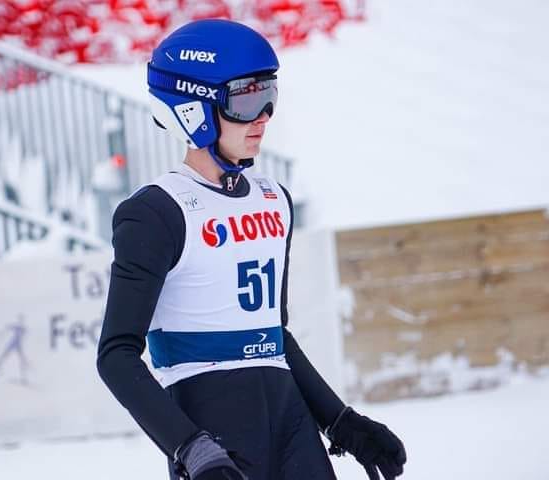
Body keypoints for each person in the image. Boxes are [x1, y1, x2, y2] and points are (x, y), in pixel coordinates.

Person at [97, 19, 406, 480]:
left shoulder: (273, 200)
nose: (262, 116)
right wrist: (191, 448)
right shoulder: (158, 212)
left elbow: (272, 338)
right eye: (245, 101)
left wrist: (340, 421)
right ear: (193, 109)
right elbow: (116, 356)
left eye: (269, 98)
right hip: (215, 436)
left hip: (292, 425)